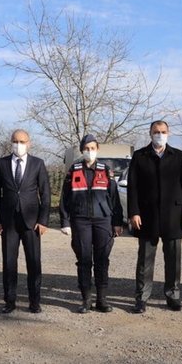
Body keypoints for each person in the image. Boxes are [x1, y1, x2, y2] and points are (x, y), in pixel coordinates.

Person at [128, 120, 182, 314]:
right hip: (147, 215)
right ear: (150, 133)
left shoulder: (178, 156)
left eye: (163, 131)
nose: (159, 134)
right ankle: (141, 298)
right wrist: (134, 211)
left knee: (173, 259)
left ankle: (173, 296)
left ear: (168, 133)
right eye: (156, 131)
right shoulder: (140, 156)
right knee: (145, 260)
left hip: (174, 214)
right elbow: (133, 187)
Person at [59, 134, 124, 313]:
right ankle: (86, 300)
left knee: (102, 260)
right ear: (82, 150)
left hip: (103, 220)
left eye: (93, 148)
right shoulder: (74, 170)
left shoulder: (105, 170)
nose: (90, 151)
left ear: (97, 149)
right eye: (86, 149)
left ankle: (102, 300)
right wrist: (65, 221)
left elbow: (114, 198)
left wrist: (117, 222)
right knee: (84, 260)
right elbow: (65, 199)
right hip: (80, 221)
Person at [0, 129, 51, 314]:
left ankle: (34, 301)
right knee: (9, 263)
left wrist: (43, 220)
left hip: (32, 222)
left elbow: (45, 194)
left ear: (29, 143)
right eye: (15, 141)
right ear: (11, 142)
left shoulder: (38, 164)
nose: (19, 145)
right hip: (9, 222)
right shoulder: (1, 164)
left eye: (22, 141)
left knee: (34, 262)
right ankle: (9, 301)